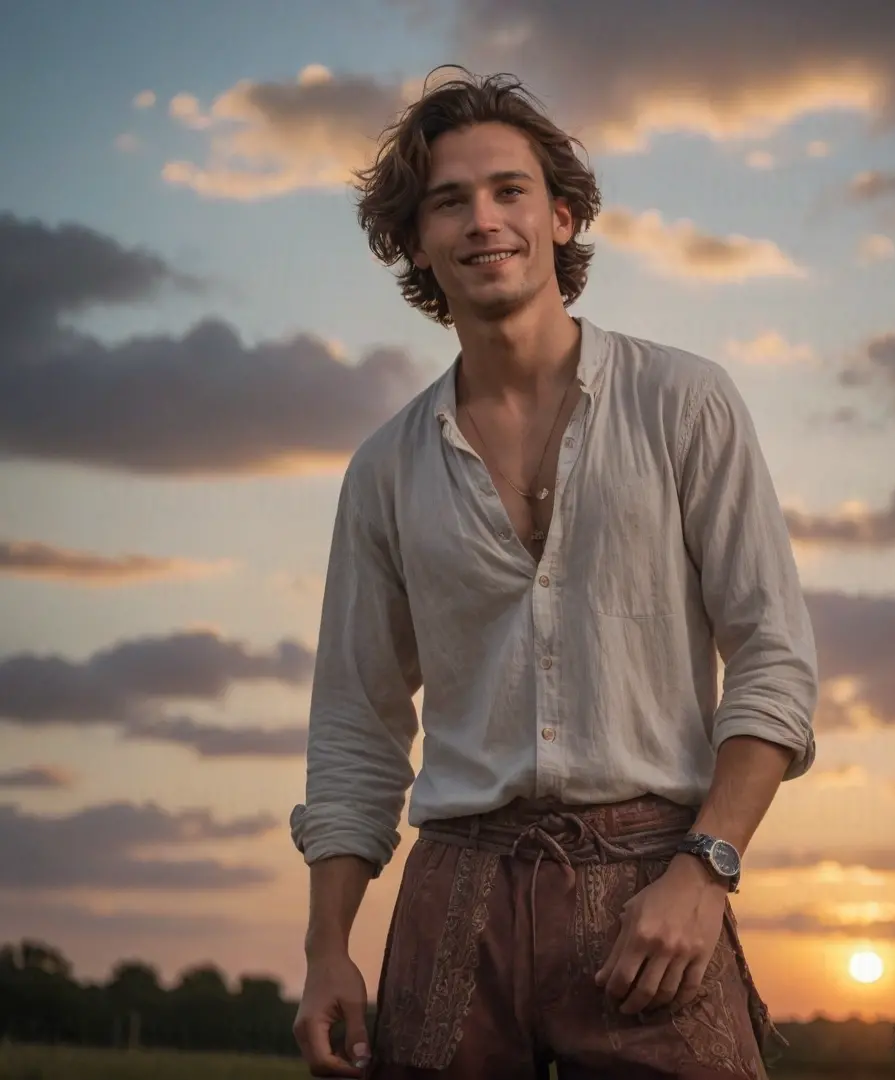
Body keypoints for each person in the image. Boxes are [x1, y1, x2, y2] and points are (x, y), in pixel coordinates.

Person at [289, 66, 818, 1080]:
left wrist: (705, 871)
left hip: (652, 886)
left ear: (563, 215)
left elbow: (773, 660)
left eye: (509, 190)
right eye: (449, 201)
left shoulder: (684, 402)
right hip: (455, 899)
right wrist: (326, 952)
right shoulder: (384, 471)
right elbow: (355, 724)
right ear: (415, 242)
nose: (483, 219)